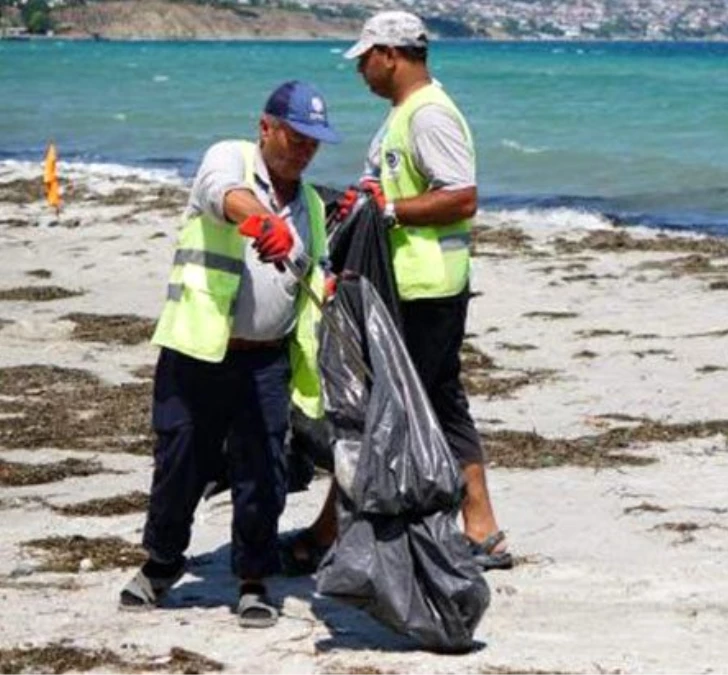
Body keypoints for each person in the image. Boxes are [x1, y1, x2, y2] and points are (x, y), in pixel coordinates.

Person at [281, 10, 513, 573]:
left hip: (422, 288)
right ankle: (482, 530)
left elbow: (461, 197)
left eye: (365, 58)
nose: (360, 69)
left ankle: (333, 529)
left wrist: (385, 209)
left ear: (391, 54)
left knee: (377, 408)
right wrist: (365, 200)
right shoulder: (405, 115)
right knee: (436, 399)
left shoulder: (428, 115)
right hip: (416, 284)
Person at [119, 81, 341, 628]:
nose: (304, 149)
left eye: (314, 141)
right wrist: (262, 222)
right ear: (265, 127)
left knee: (262, 472)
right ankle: (162, 564)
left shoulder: (312, 205)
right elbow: (222, 194)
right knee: (180, 463)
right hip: (199, 349)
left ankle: (253, 578)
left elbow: (317, 279)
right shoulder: (230, 158)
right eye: (295, 135)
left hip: (267, 361)